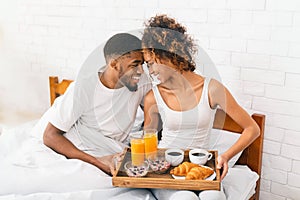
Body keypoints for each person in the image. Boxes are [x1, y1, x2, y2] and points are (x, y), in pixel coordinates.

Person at [0, 33, 155, 199]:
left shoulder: (140, 81)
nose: (140, 70)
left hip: (109, 146)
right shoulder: (83, 88)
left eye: (143, 64)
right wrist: (97, 161)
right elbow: (50, 135)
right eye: (135, 65)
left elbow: (154, 106)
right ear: (114, 64)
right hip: (71, 144)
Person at [141, 14, 260, 200]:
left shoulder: (212, 89)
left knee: (214, 198)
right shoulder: (152, 97)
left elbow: (252, 128)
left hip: (202, 167)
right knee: (185, 198)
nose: (151, 71)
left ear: (168, 54)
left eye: (151, 63)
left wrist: (226, 156)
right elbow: (147, 139)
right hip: (167, 170)